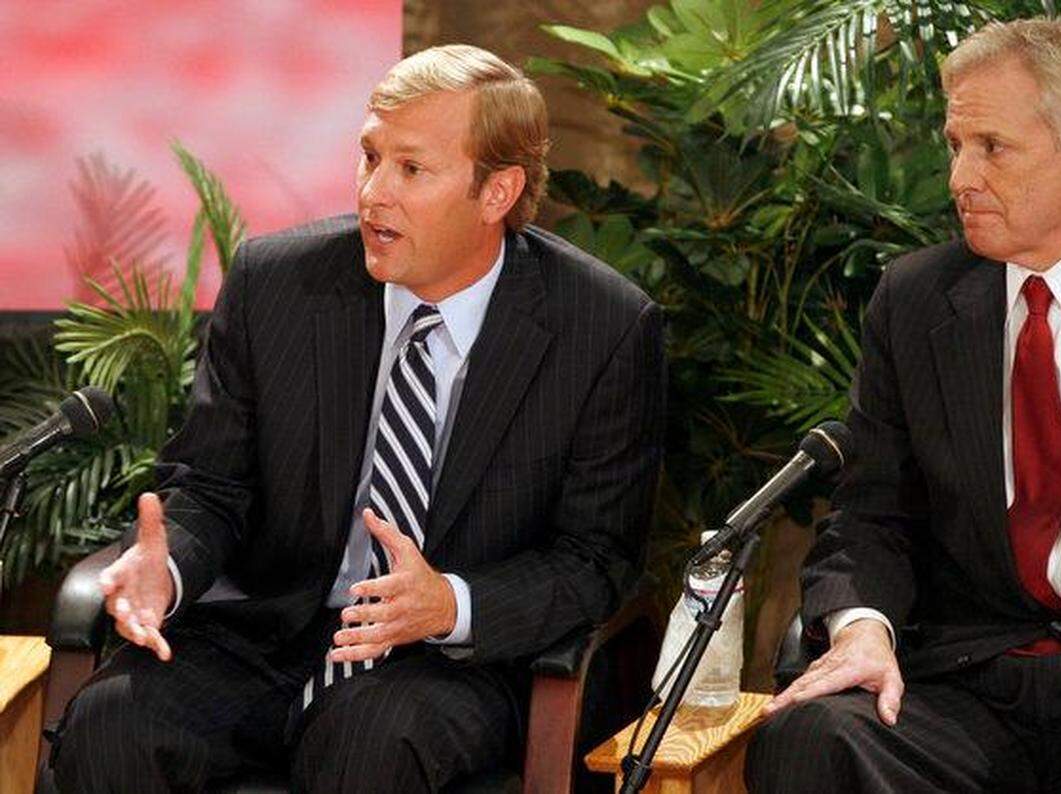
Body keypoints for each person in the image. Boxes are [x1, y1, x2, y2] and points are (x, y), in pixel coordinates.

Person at [48, 44, 665, 793]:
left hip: (447, 664)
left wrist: (452, 604)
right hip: (274, 633)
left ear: (497, 191)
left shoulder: (600, 327)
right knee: (113, 723)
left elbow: (594, 558)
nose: (374, 193)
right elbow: (212, 489)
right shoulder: (279, 284)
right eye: (369, 157)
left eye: (411, 169)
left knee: (367, 743)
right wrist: (166, 568)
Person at [747, 16, 1061, 793]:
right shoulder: (917, 300)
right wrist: (862, 629)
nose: (961, 177)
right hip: (964, 686)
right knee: (812, 736)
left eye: (992, 147)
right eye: (956, 144)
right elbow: (870, 514)